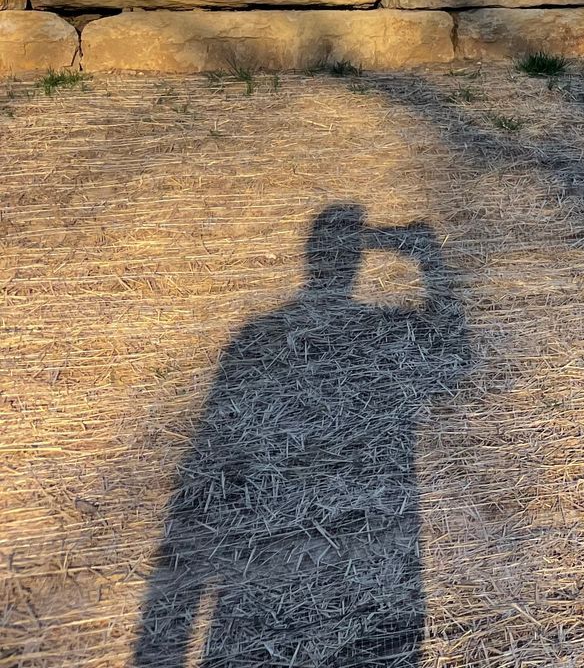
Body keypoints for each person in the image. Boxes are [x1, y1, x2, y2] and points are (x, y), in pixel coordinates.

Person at [134, 205, 468, 668]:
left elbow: (212, 452)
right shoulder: (376, 329)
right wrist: (428, 260)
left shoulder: (258, 335)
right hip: (359, 541)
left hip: (271, 564)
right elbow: (454, 356)